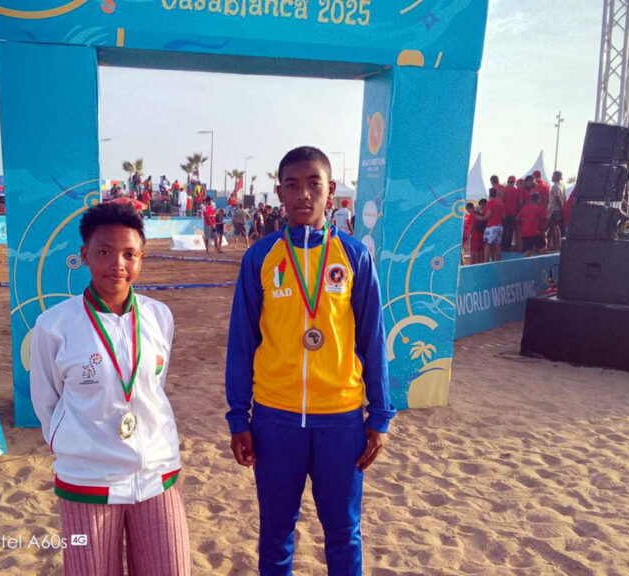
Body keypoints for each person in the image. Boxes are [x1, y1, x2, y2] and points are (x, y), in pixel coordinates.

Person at [225, 146, 395, 575]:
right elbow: (242, 342)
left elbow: (373, 338)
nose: (304, 195)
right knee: (276, 530)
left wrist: (380, 415)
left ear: (331, 191)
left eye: (313, 184)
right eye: (293, 186)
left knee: (343, 531)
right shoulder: (261, 258)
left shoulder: (354, 257)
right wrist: (238, 417)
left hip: (340, 418)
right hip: (274, 417)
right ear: (279, 192)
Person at [30, 203, 190, 575]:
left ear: (141, 259)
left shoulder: (159, 316)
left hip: (157, 475)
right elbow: (46, 401)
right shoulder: (54, 325)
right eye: (104, 252)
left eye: (129, 254)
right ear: (85, 255)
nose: (117, 263)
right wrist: (72, 445)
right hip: (87, 479)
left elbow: (151, 388)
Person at [478, 187, 506, 262]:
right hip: (499, 226)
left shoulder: (490, 202)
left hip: (491, 226)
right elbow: (503, 216)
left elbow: (488, 215)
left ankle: (486, 265)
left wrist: (481, 218)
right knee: (497, 247)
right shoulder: (501, 203)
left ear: (489, 194)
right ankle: (499, 263)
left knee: (487, 246)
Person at [517, 192, 548, 257]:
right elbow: (544, 219)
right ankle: (540, 263)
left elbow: (517, 218)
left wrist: (521, 225)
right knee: (542, 247)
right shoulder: (539, 209)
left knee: (528, 250)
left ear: (530, 199)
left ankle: (525, 264)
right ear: (538, 200)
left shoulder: (524, 208)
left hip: (524, 232)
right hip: (534, 231)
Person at [547, 170, 566, 251]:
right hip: (558, 209)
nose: (552, 177)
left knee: (553, 227)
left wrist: (561, 208)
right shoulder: (562, 185)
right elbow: (564, 198)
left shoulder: (555, 186)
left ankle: (555, 246)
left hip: (555, 209)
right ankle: (557, 245)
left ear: (556, 177)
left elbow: (557, 198)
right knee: (557, 228)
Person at [501, 176, 521, 251]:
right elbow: (520, 203)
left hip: (505, 214)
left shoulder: (503, 190)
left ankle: (503, 246)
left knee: (504, 230)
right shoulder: (516, 191)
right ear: (514, 182)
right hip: (513, 214)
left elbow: (501, 202)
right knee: (510, 231)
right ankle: (508, 246)